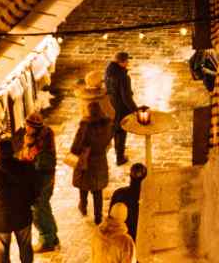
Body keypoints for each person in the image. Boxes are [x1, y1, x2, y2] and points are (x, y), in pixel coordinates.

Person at [0, 137, 39, 263]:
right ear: (13, 152)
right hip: (23, 215)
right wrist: (29, 202)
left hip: (1, 219)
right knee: (25, 247)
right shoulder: (26, 168)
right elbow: (36, 190)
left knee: (2, 251)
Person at [69, 79, 114, 219]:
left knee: (84, 186)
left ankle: (83, 207)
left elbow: (76, 147)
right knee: (97, 190)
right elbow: (108, 141)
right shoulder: (107, 125)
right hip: (100, 160)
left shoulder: (85, 126)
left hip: (86, 162)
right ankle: (98, 216)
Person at [19, 117, 60, 253]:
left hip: (41, 182)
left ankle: (47, 241)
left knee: (39, 211)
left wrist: (28, 158)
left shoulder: (43, 145)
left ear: (35, 128)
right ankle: (52, 237)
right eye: (26, 125)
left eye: (29, 126)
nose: (26, 128)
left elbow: (41, 165)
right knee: (44, 208)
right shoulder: (32, 138)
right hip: (38, 181)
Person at [104, 52, 138, 164]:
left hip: (111, 104)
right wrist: (135, 110)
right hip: (120, 108)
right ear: (121, 62)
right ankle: (120, 157)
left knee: (114, 129)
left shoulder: (108, 71)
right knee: (120, 132)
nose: (128, 63)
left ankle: (116, 151)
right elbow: (126, 97)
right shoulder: (123, 77)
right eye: (126, 61)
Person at [108, 162, 147, 241]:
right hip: (140, 240)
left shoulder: (119, 193)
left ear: (130, 176)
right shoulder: (148, 198)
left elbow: (111, 217)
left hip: (121, 240)